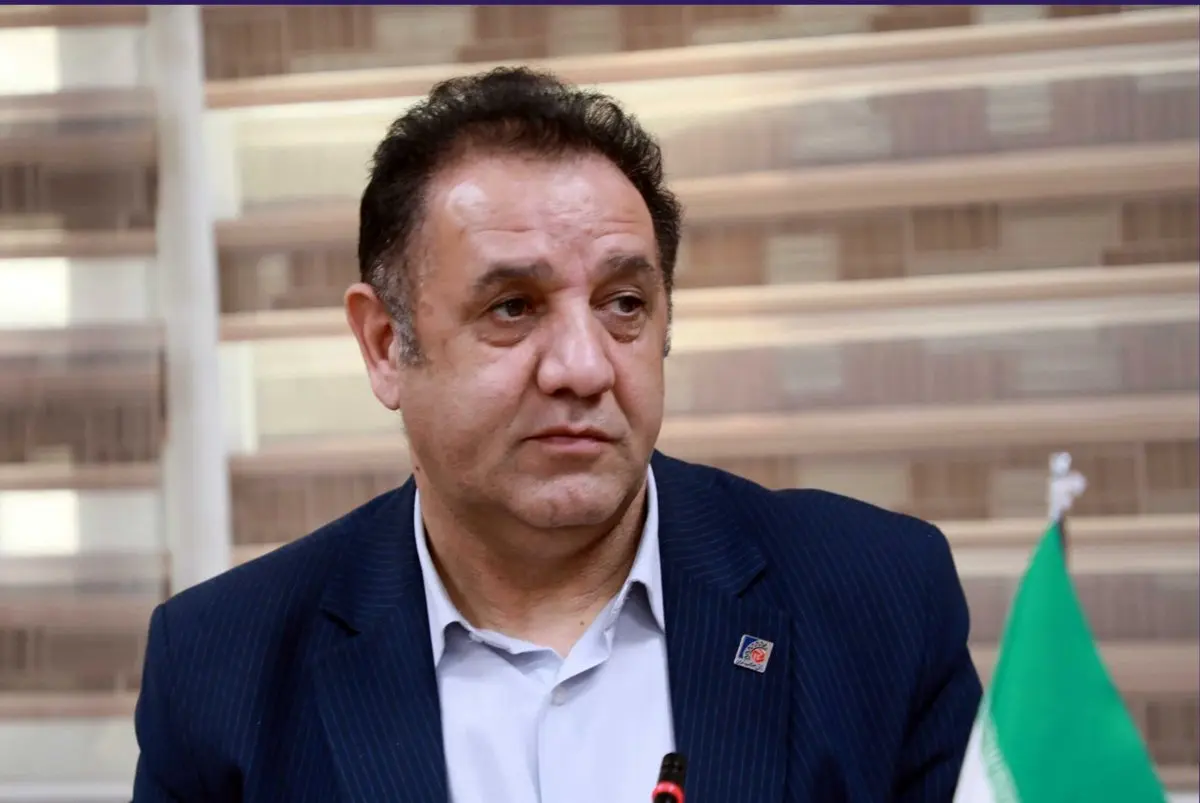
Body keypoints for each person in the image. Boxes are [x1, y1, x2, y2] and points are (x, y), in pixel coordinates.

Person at [132, 67, 982, 803]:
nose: (584, 366)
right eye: (513, 307)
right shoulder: (221, 671)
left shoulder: (877, 601)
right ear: (386, 345)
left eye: (624, 304)